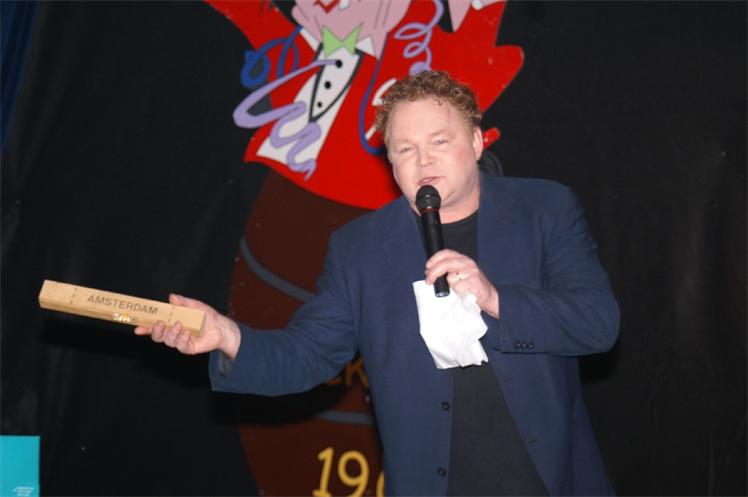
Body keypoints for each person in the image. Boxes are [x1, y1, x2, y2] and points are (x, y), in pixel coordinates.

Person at [136, 70, 619, 496]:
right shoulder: (361, 249)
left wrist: (495, 299)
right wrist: (227, 336)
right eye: (405, 149)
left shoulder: (544, 210)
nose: (423, 162)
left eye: (440, 141)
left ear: (475, 142)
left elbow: (599, 324)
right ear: (390, 162)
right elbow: (307, 354)